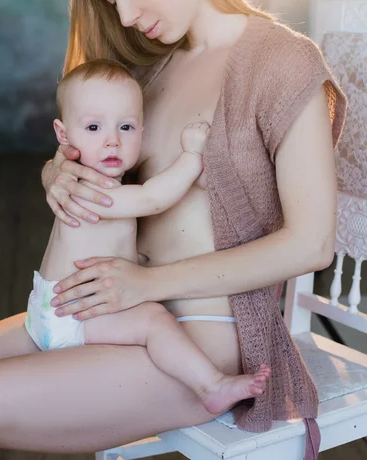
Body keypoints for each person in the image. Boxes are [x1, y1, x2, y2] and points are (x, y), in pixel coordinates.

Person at [0, 0, 345, 460]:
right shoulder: (153, 71)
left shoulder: (281, 63)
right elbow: (92, 148)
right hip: (112, 320)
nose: (124, 12)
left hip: (203, 345)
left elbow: (312, 244)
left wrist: (147, 284)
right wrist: (56, 173)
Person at [24, 57, 271, 414]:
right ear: (64, 136)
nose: (111, 141)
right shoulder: (88, 189)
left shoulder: (93, 181)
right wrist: (192, 156)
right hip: (71, 317)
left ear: (141, 132)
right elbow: (153, 198)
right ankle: (211, 385)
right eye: (93, 128)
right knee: (154, 322)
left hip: (52, 309)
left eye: (125, 127)